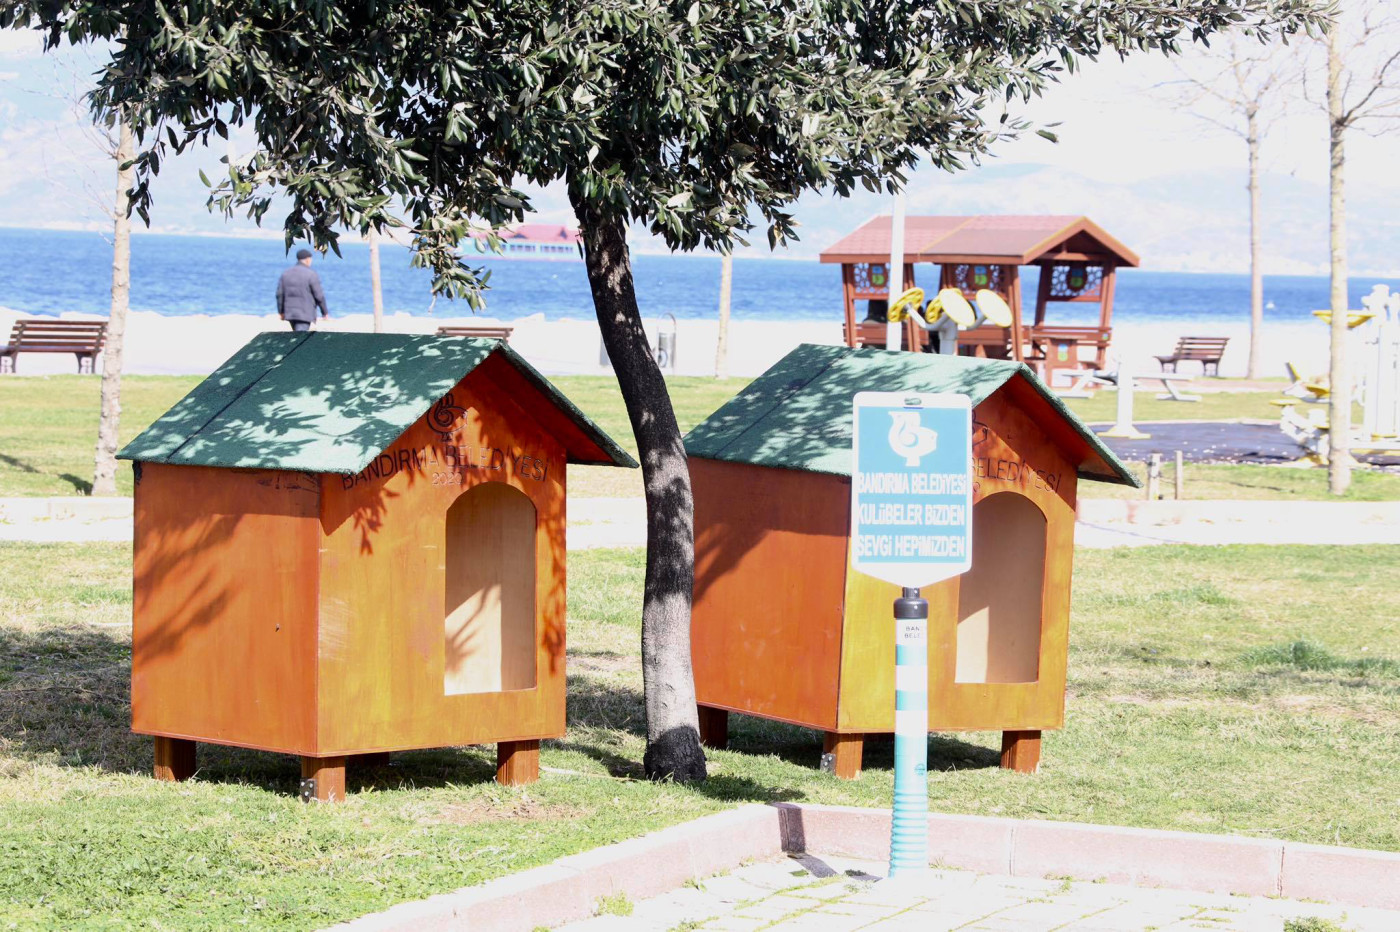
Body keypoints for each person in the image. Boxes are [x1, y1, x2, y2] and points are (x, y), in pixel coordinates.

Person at [276, 248, 329, 331]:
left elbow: (280, 294)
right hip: (305, 313)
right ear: (307, 260)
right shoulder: (311, 274)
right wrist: (324, 312)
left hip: (290, 313)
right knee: (300, 335)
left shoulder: (286, 273)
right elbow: (319, 295)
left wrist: (281, 311)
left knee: (296, 334)